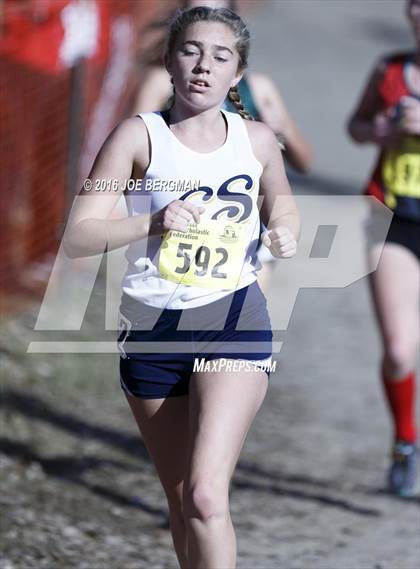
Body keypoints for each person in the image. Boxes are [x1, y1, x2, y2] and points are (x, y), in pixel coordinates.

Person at [64, 6, 299, 567]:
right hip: (150, 327)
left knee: (204, 494)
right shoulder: (136, 136)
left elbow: (281, 199)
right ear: (169, 61)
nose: (203, 66)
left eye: (220, 57)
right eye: (190, 51)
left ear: (237, 74)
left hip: (232, 317)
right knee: (180, 504)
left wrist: (286, 229)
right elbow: (78, 235)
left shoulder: (258, 140)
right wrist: (151, 221)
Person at [134, 0, 311, 293]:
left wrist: (283, 132)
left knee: (240, 326)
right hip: (174, 231)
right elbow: (132, 159)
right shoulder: (160, 82)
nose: (204, 65)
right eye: (195, 13)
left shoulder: (259, 89)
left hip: (243, 234)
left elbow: (304, 163)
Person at [347, 0, 420, 498]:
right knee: (398, 350)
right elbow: (356, 126)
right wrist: (384, 131)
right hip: (388, 216)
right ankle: (405, 440)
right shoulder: (390, 70)